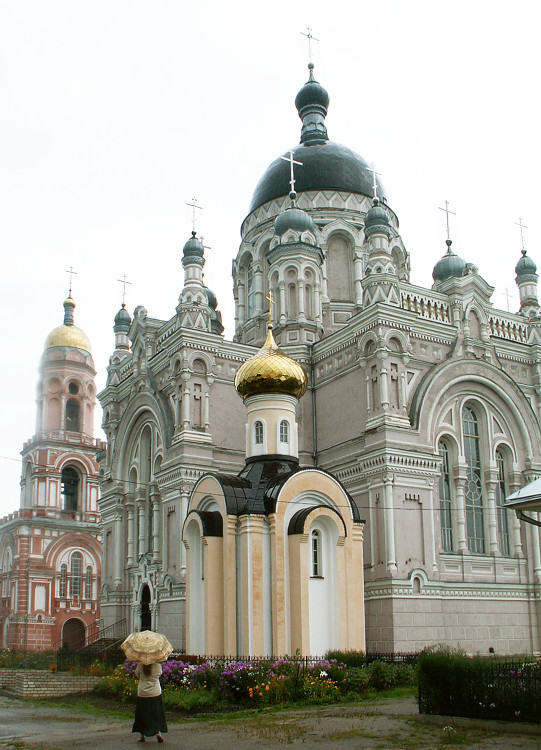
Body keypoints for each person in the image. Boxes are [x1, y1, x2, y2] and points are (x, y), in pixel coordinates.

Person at [132, 661, 168, 743]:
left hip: (143, 693)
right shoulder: (157, 666)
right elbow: (160, 674)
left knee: (143, 714)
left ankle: (142, 736)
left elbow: (137, 675)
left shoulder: (140, 665)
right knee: (156, 713)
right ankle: (158, 733)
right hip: (155, 693)